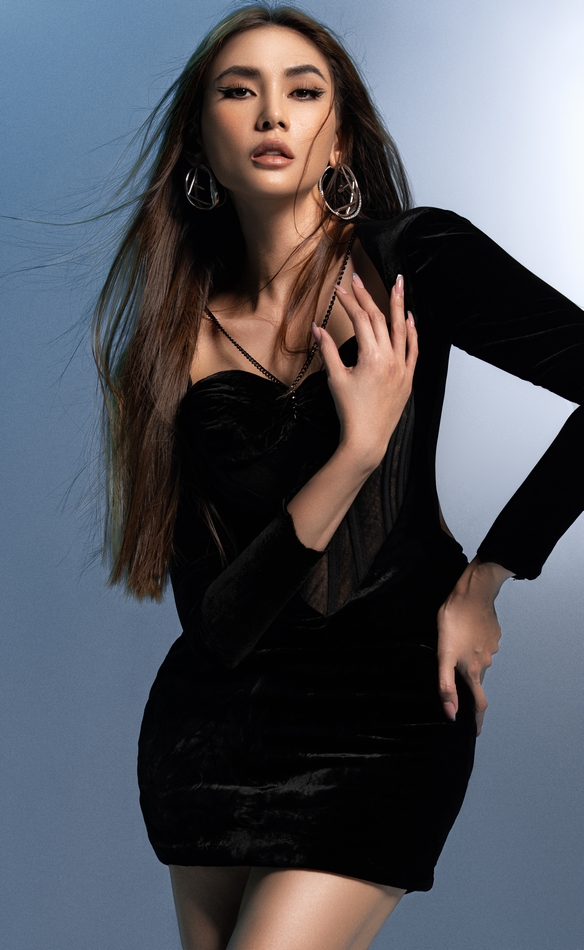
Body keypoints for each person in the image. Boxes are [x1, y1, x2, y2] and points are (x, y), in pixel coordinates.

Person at [92, 5, 584, 949]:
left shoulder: (415, 262)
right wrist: (357, 451)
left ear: (342, 137)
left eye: (304, 90)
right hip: (213, 733)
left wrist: (489, 575)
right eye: (239, 91)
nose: (272, 112)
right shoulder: (166, 347)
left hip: (385, 713)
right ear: (200, 144)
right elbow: (220, 623)